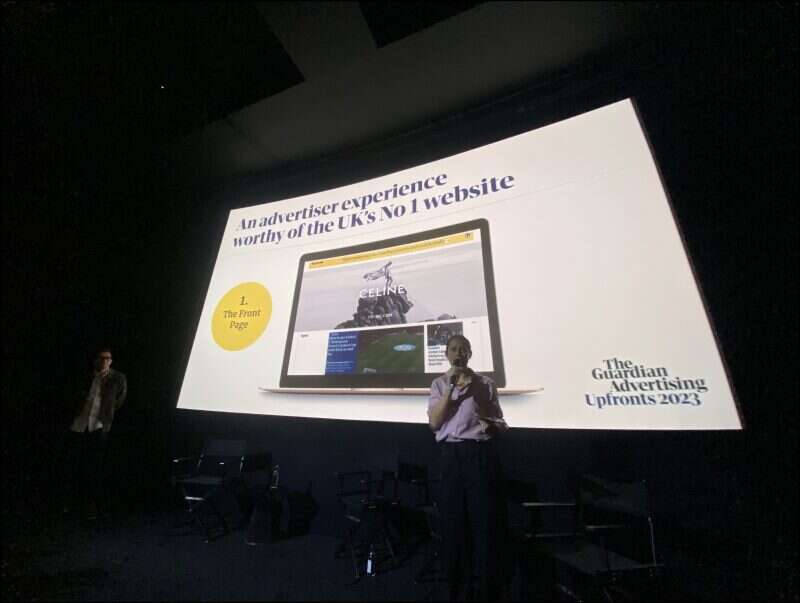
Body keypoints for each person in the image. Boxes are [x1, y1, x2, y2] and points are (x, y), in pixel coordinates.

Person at [428, 334, 509, 601]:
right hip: (450, 456)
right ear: (447, 354)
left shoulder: (486, 384)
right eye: (453, 349)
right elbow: (435, 423)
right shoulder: (439, 384)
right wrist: (451, 390)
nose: (458, 353)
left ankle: (484, 590)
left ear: (470, 354)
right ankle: (456, 591)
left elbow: (499, 420)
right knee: (453, 524)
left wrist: (494, 425)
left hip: (478, 455)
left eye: (463, 349)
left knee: (482, 524)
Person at [63, 347, 127, 519]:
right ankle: (69, 503)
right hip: (79, 424)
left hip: (98, 426)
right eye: (101, 358)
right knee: (73, 464)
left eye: (108, 358)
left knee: (94, 467)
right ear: (95, 360)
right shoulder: (86, 376)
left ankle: (90, 506)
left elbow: (119, 399)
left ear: (111, 361)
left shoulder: (118, 378)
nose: (104, 361)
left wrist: (107, 415)